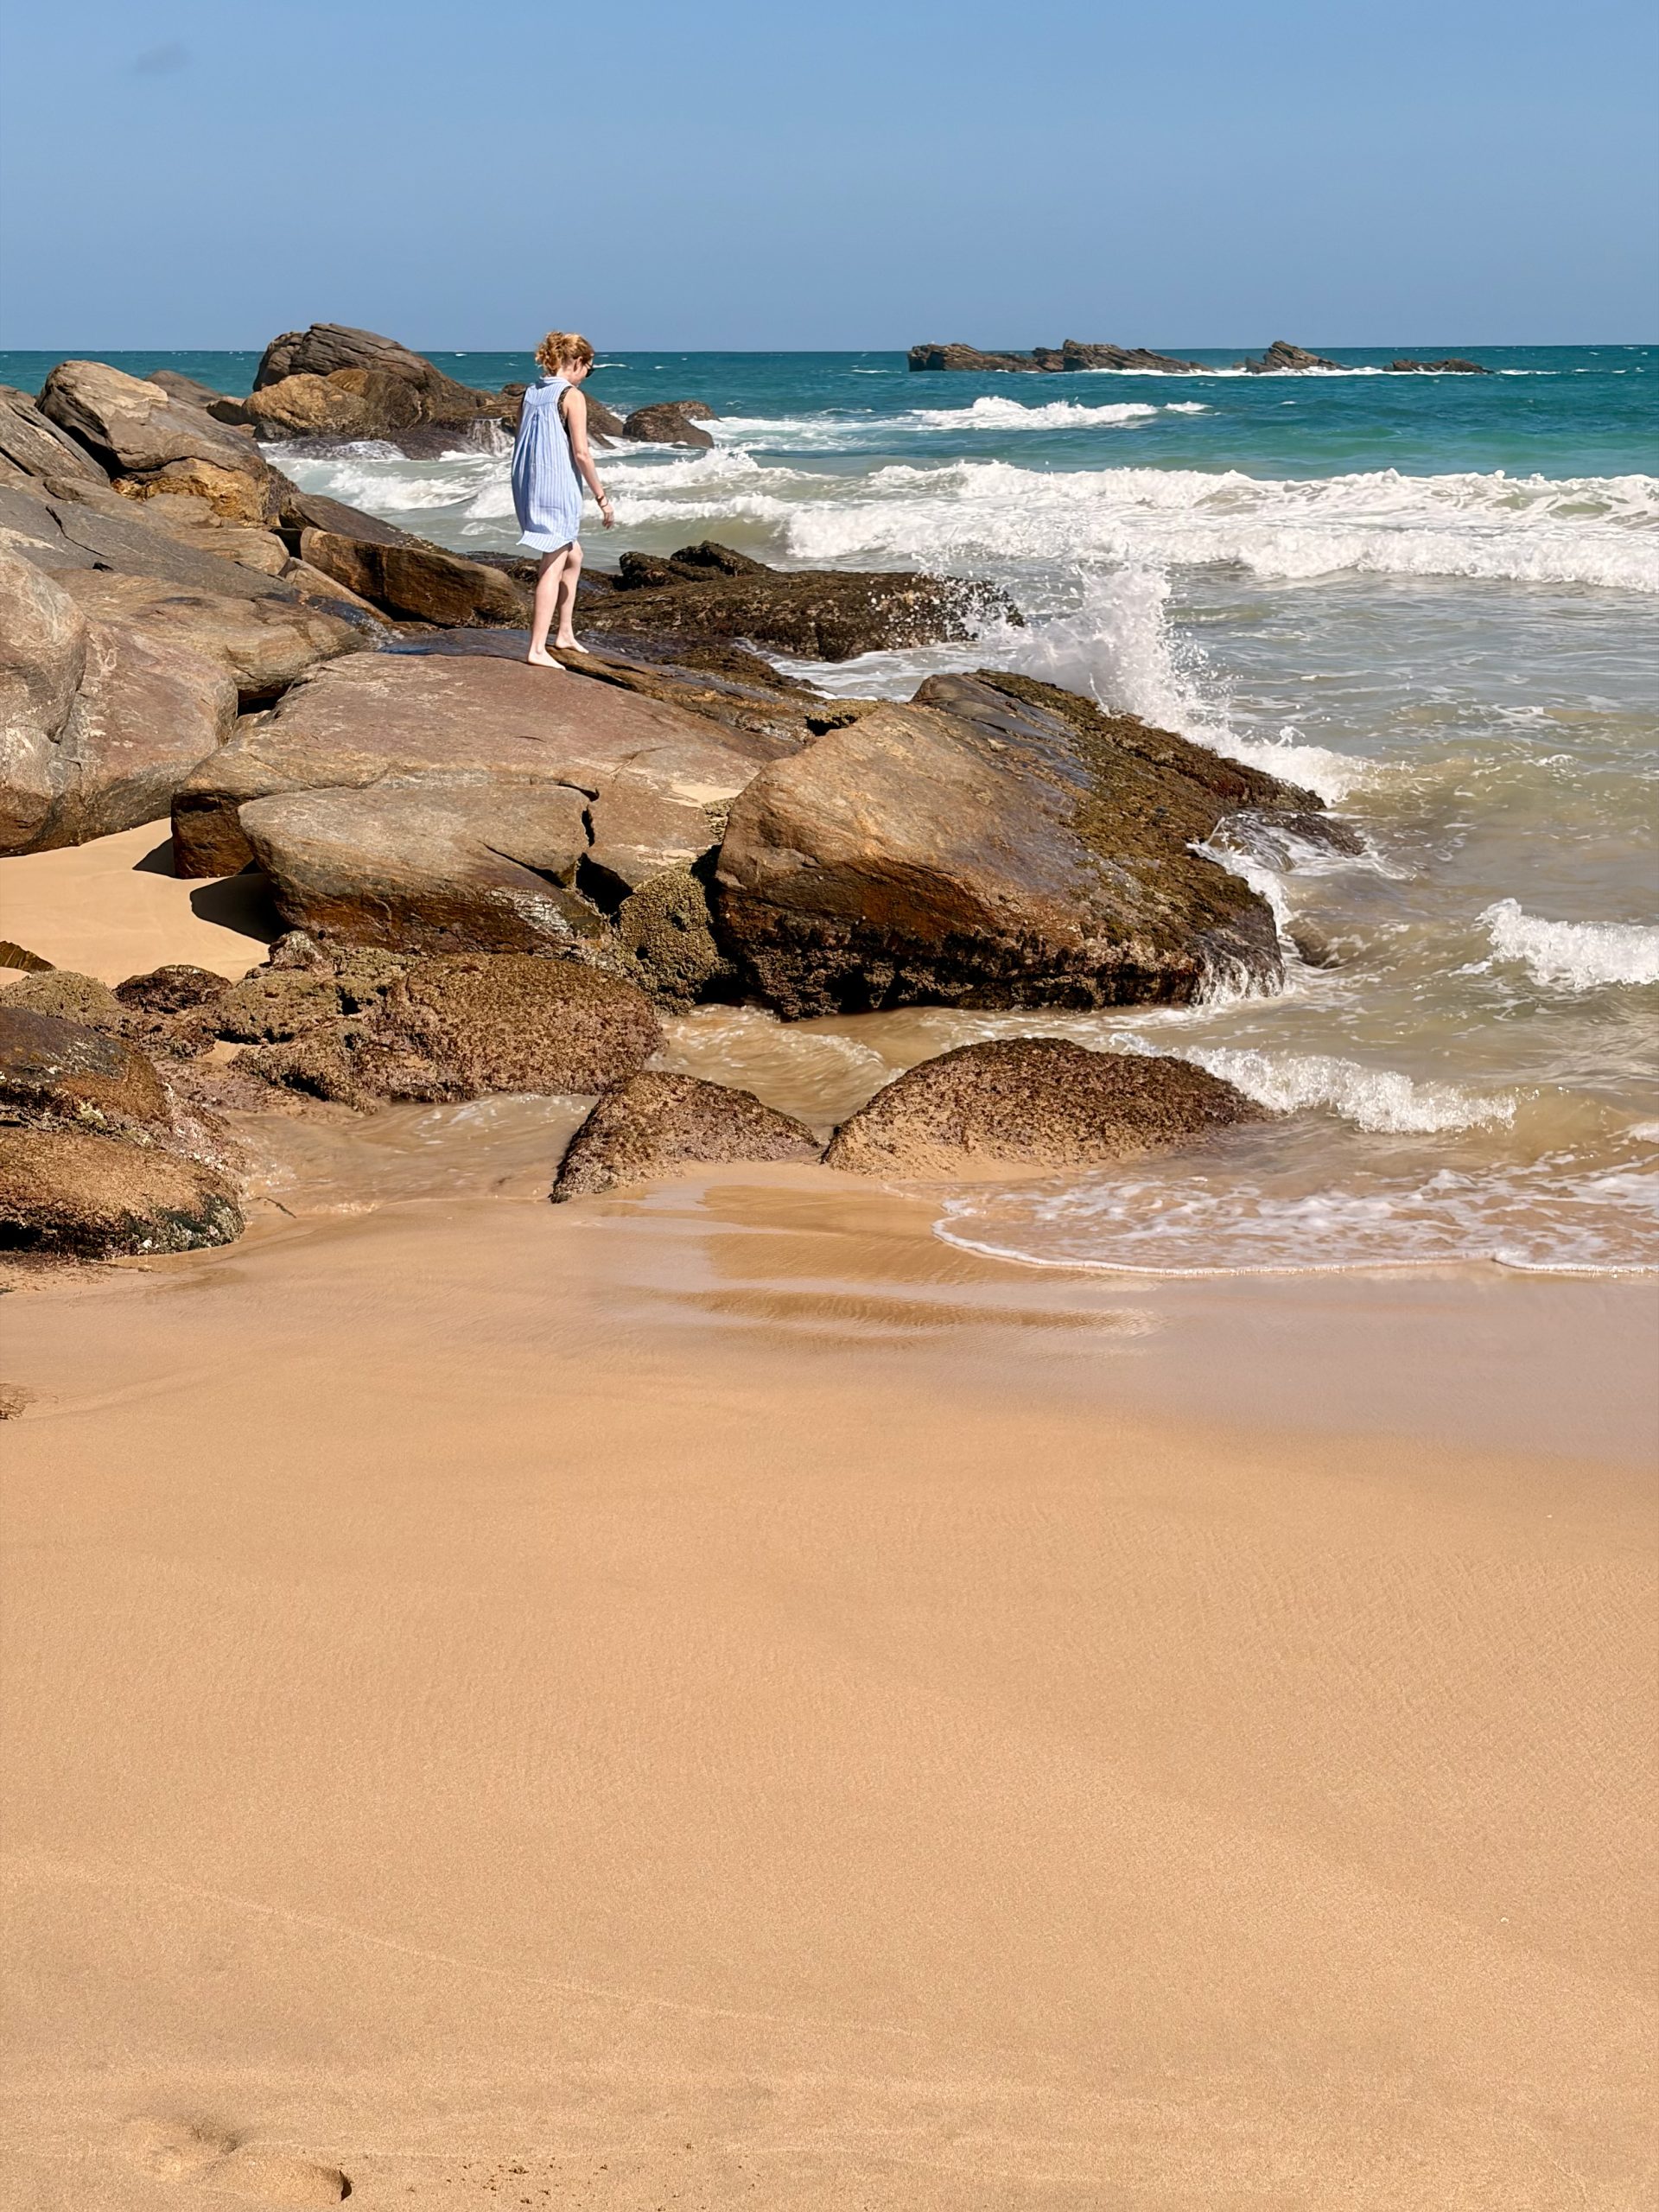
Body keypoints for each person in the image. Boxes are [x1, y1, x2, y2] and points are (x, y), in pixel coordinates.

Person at [511, 330, 615, 666]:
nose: (588, 375)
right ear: (579, 362)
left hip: (529, 481)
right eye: (590, 368)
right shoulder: (571, 395)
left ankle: (565, 632)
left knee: (574, 554)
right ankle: (537, 649)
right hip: (555, 485)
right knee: (552, 564)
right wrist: (602, 499)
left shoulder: (531, 392)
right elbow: (582, 453)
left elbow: (524, 438)